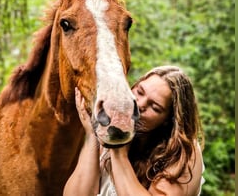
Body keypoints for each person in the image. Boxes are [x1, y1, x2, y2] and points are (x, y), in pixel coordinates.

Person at [64, 65, 205, 196]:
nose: (139, 104)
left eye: (155, 107)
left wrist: (119, 151)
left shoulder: (183, 151)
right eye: (139, 92)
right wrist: (92, 133)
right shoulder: (111, 127)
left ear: (169, 120)